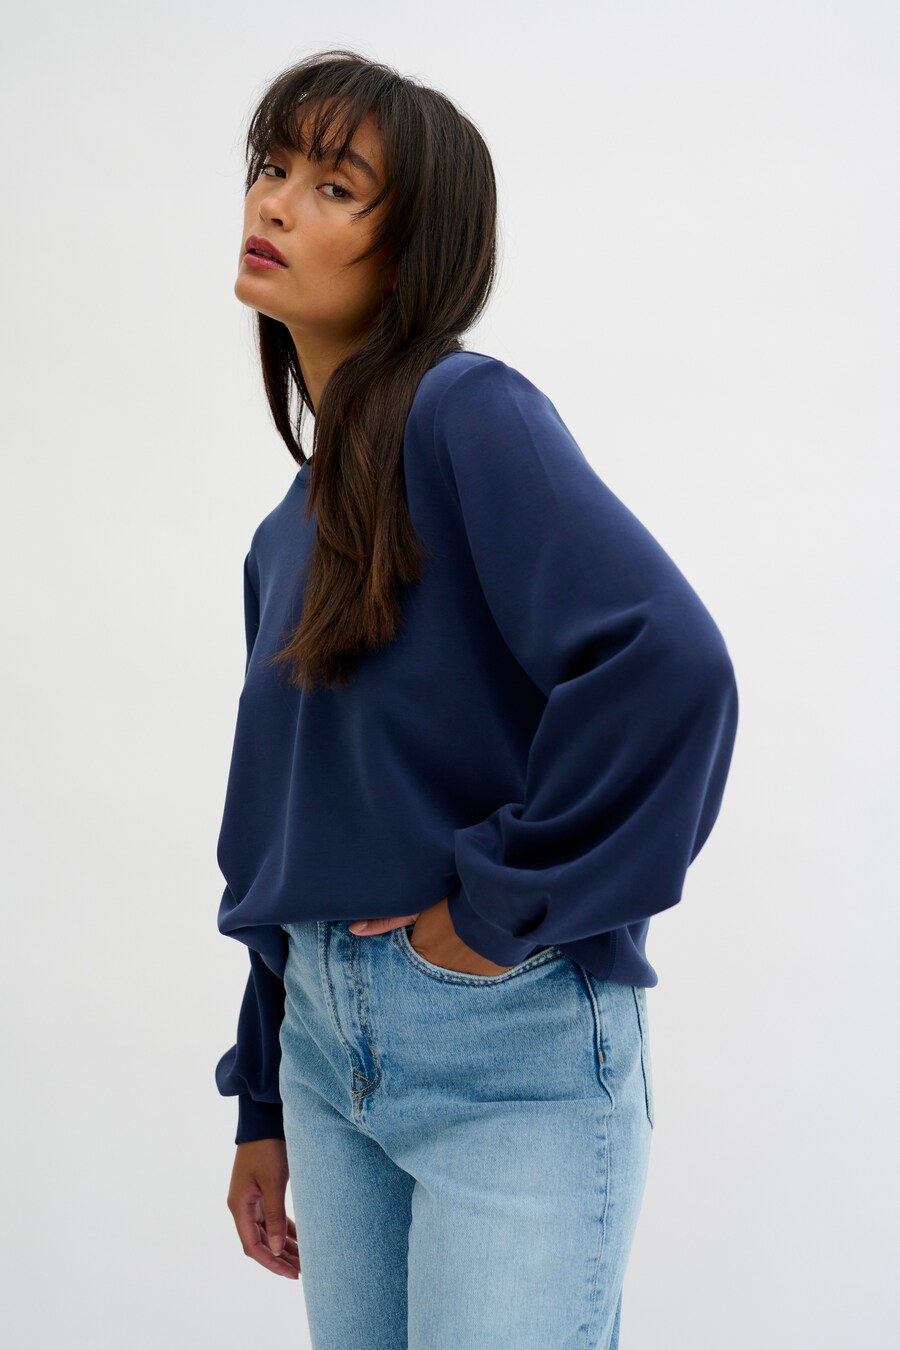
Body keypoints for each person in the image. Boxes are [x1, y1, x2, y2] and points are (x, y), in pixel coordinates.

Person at [215, 47, 739, 1350]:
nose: (276, 202)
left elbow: (670, 666)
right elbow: (288, 834)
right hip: (325, 1060)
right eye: (272, 167)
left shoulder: (468, 411)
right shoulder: (283, 535)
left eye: (335, 185)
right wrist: (262, 1100)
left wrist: (498, 910)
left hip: (506, 1046)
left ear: (410, 253)